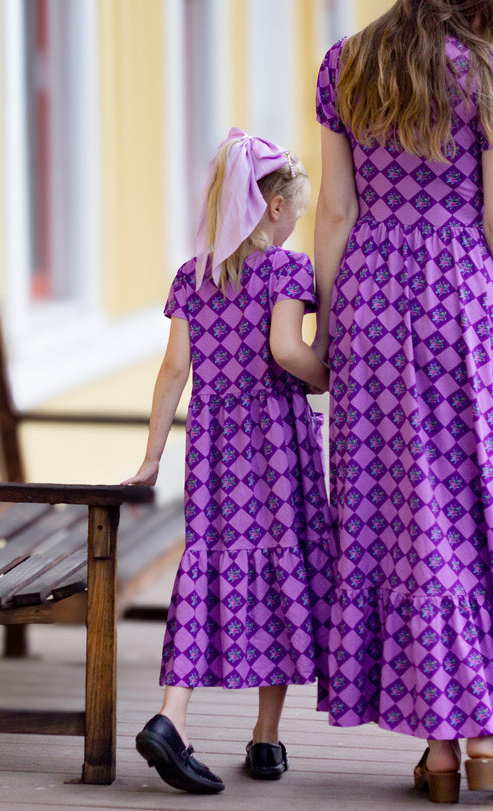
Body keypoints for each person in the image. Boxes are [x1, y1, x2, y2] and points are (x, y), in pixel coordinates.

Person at [312, 0, 493, 804]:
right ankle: (483, 732)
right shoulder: (492, 75)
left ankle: (440, 749)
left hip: (372, 297)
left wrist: (333, 324)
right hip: (461, 300)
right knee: (469, 508)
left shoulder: (347, 62)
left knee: (392, 515)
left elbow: (333, 211)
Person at [124, 128, 333, 795]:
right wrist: (326, 372)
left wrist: (152, 455)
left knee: (206, 564)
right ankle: (266, 737)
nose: (296, 218)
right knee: (281, 565)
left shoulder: (194, 275)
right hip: (275, 444)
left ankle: (171, 715)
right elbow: (284, 351)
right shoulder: (285, 269)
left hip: (214, 450)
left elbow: (173, 368)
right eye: (294, 208)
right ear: (273, 208)